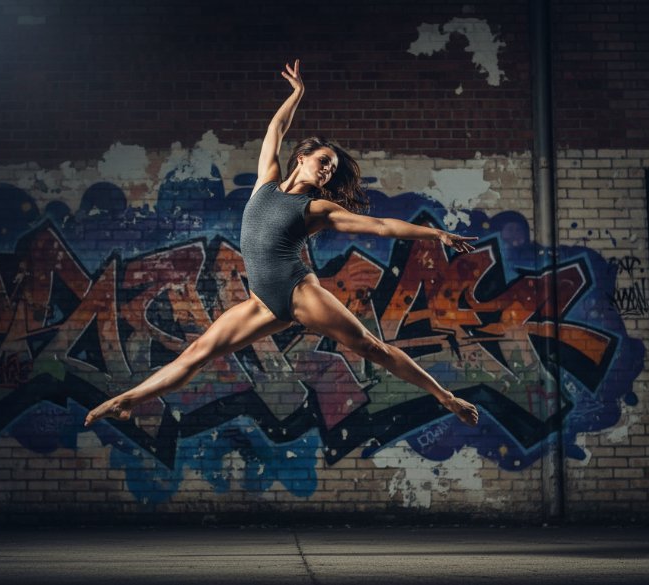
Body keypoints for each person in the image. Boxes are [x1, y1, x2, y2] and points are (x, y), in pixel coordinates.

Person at [85, 60, 479, 428]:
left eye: (332, 169)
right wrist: (297, 93)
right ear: (303, 157)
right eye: (324, 161)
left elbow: (377, 225)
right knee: (197, 353)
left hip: (296, 291)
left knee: (370, 347)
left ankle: (444, 397)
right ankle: (129, 400)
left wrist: (437, 234)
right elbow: (276, 130)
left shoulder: (316, 207)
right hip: (261, 301)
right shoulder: (266, 181)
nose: (327, 170)